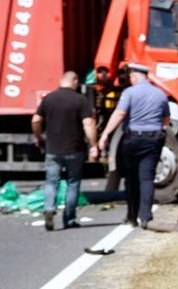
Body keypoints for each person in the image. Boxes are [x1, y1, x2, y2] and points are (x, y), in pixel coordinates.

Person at [98, 64, 169, 229]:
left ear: (135, 77)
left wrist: (106, 134)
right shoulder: (160, 94)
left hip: (133, 139)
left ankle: (131, 217)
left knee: (131, 179)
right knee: (147, 178)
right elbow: (166, 119)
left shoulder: (129, 92)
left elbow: (120, 113)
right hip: (153, 139)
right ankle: (145, 217)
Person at [31, 71, 99, 231]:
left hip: (52, 148)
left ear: (62, 81)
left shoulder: (49, 98)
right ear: (75, 81)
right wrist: (93, 145)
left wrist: (39, 136)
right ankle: (69, 219)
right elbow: (88, 124)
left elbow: (35, 119)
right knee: (73, 183)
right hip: (74, 149)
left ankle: (49, 208)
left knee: (51, 181)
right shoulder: (80, 100)